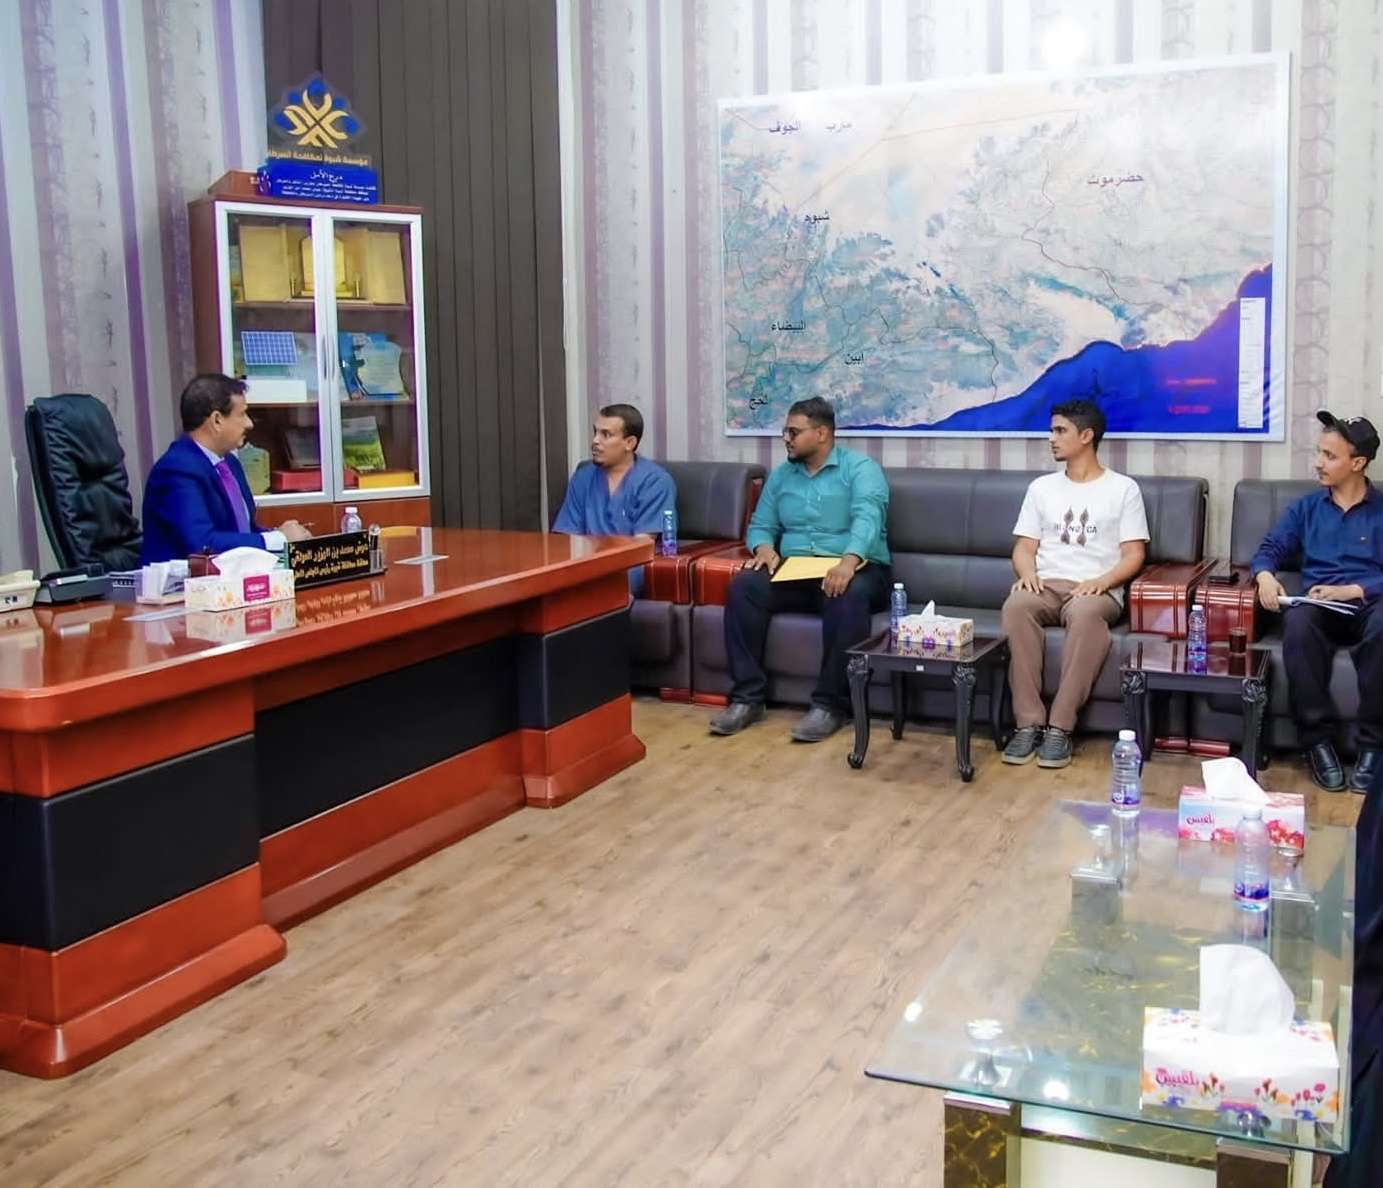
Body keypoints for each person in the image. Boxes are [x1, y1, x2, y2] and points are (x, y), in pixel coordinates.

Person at [708, 396, 891, 743]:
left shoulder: (861, 469)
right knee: (745, 586)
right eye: (785, 431)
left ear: (821, 434)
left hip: (859, 568)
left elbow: (868, 520)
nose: (786, 439)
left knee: (846, 593)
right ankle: (747, 698)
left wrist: (847, 562)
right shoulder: (782, 475)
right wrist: (764, 549)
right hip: (797, 570)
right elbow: (761, 525)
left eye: (794, 432)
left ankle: (830, 705)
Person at [1000, 399, 1149, 769]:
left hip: (1098, 589)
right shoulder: (1041, 488)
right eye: (1051, 430)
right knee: (1017, 606)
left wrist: (1101, 581)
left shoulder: (1123, 489)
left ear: (1086, 436)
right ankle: (1028, 724)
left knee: (1083, 613)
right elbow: (1024, 547)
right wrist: (1027, 574)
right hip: (1047, 584)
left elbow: (1133, 555)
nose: (1051, 438)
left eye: (1060, 431)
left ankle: (1060, 728)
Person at [1251, 411, 1383, 794]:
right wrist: (1264, 576)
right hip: (1319, 604)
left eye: (1329, 456)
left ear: (1357, 463)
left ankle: (1373, 747)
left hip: (1369, 603)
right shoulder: (1305, 508)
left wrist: (1354, 590)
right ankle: (1316, 743)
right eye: (1319, 452)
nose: (1318, 463)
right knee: (1298, 624)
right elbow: (1269, 549)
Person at [142, 373, 311, 563]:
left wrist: (283, 535)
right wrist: (277, 539)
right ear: (217, 420)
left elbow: (243, 532)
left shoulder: (230, 463)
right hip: (185, 580)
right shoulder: (177, 469)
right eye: (242, 414)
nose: (249, 423)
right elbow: (202, 544)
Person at [552, 403, 676, 595]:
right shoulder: (582, 477)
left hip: (628, 566)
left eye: (606, 434)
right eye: (595, 432)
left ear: (629, 443)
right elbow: (567, 538)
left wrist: (597, 556)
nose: (595, 441)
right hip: (584, 564)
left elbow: (641, 546)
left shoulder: (655, 481)